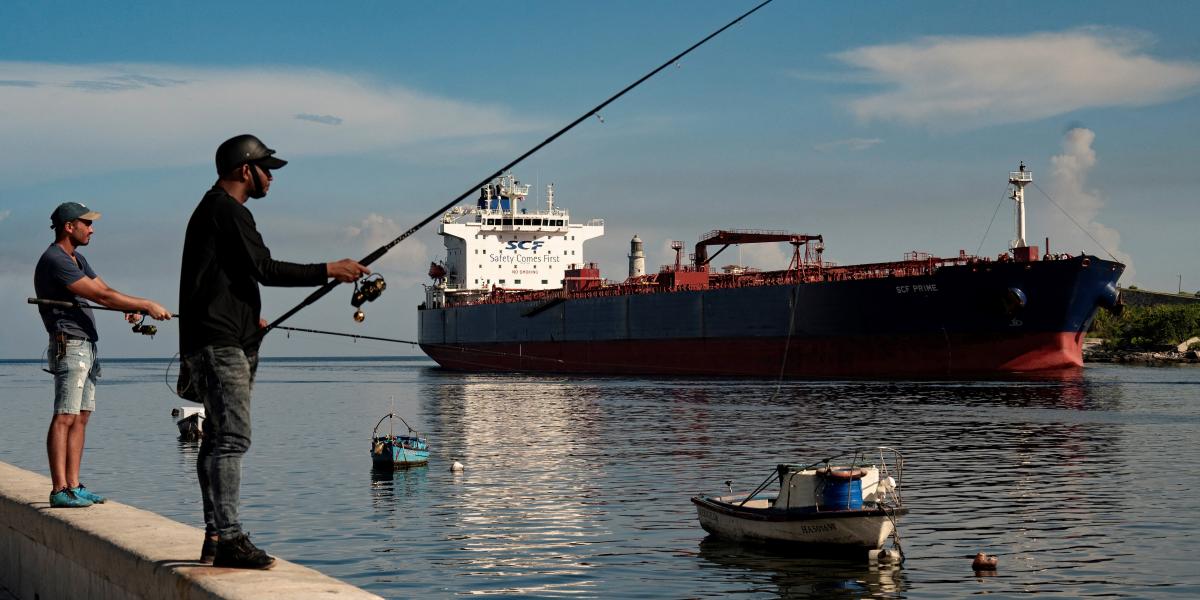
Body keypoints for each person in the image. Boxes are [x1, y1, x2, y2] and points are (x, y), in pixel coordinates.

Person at [179, 134, 369, 569]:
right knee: (232, 438)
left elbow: (222, 282)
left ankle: (215, 536)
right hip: (220, 344)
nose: (272, 177)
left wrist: (249, 320)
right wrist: (329, 270)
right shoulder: (228, 211)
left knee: (217, 437)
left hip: (221, 338)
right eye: (267, 169)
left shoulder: (212, 210)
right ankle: (229, 538)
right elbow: (263, 269)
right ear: (245, 170)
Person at [34, 202, 172, 508]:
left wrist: (130, 308)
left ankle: (74, 485)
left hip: (86, 345)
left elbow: (104, 289)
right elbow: (101, 296)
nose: (92, 229)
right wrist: (146, 304)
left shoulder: (77, 258)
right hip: (70, 343)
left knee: (82, 417)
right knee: (65, 416)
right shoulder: (56, 259)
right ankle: (59, 490)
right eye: (87, 223)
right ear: (69, 226)